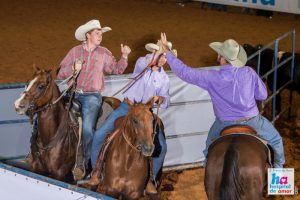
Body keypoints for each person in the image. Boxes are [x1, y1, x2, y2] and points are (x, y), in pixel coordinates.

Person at [160, 33, 285, 168]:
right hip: (252, 120)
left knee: (208, 148)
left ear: (221, 58)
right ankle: (278, 176)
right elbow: (263, 95)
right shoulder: (249, 72)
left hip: (224, 123)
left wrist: (168, 53)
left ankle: (208, 166)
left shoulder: (211, 77)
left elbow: (185, 72)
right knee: (276, 140)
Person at [91, 41, 176, 192]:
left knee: (161, 148)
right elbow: (146, 62)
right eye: (161, 55)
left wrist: (160, 99)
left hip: (146, 111)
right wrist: (157, 53)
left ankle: (150, 180)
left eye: (166, 57)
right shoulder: (141, 64)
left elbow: (166, 100)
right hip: (127, 107)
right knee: (99, 135)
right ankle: (95, 172)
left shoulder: (164, 78)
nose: (163, 59)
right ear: (154, 53)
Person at [57, 19, 131, 180]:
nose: (100, 36)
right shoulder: (75, 52)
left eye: (101, 33)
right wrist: (72, 69)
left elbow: (116, 70)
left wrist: (124, 56)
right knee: (50, 114)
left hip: (91, 96)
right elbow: (60, 72)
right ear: (88, 35)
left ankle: (82, 163)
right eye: (97, 33)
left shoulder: (104, 53)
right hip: (72, 92)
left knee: (88, 129)